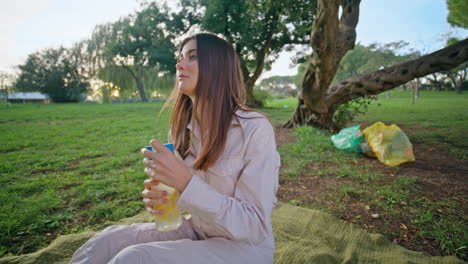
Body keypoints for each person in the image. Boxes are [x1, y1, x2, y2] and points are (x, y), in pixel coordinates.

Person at [69, 32, 281, 264]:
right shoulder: (182, 129)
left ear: (218, 66)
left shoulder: (254, 130)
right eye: (179, 58)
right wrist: (164, 198)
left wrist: (186, 183)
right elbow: (184, 203)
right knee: (105, 241)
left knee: (133, 259)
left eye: (192, 56)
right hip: (199, 230)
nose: (180, 64)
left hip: (244, 248)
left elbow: (255, 226)